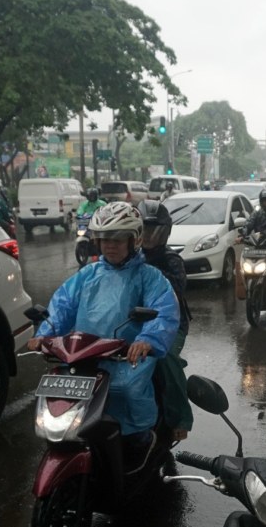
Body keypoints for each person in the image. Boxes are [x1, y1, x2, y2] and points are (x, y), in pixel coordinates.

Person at [27, 201, 180, 472]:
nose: (111, 245)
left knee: (128, 390)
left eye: (119, 238)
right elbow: (62, 306)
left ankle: (140, 437)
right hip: (84, 354)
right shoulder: (87, 274)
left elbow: (163, 311)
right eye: (105, 238)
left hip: (126, 356)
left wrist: (147, 340)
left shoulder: (150, 277)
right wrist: (46, 334)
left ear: (135, 239)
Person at [138, 199, 193, 442]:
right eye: (145, 230)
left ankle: (180, 419)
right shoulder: (126, 258)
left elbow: (176, 287)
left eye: (155, 231)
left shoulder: (172, 261)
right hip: (130, 323)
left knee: (165, 357)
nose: (150, 236)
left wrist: (147, 271)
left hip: (169, 324)